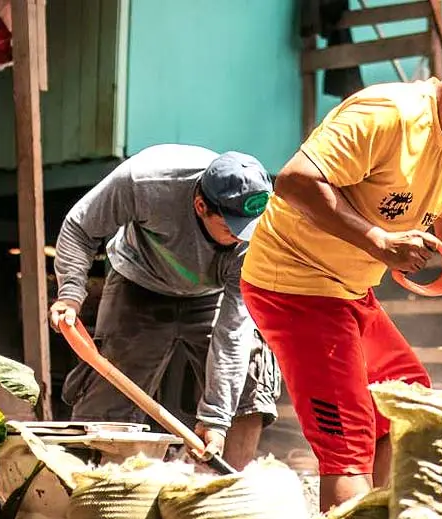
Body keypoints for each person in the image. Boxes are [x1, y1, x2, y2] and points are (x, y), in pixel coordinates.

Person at [241, 41, 442, 511]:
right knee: (349, 436)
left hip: (349, 290)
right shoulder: (385, 115)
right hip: (293, 285)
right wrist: (376, 240)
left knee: (406, 402)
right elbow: (293, 181)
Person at [51, 144, 282, 471]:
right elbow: (80, 226)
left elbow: (233, 333)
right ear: (201, 206)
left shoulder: (257, 234)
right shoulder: (147, 181)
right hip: (139, 283)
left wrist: (215, 419)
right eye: (233, 229)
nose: (244, 238)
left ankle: (224, 494)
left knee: (248, 382)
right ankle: (96, 492)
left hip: (212, 294)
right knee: (106, 402)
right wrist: (71, 293)